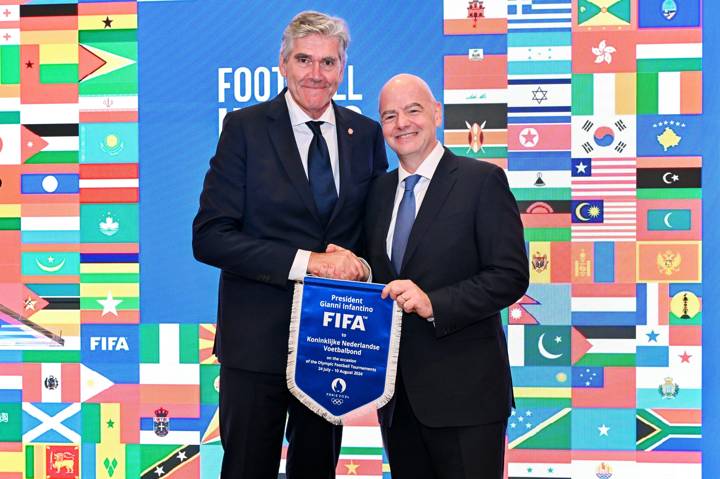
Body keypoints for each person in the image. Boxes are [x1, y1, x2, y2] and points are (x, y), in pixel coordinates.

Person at [192, 11, 388, 479]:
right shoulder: (244, 128)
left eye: (328, 62)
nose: (315, 74)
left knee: (316, 469)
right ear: (282, 63)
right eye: (304, 59)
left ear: (342, 69)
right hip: (255, 342)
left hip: (333, 343)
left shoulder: (366, 135)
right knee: (246, 469)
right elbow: (210, 236)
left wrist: (360, 265)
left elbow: (375, 233)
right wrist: (308, 263)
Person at [364, 74, 529, 478]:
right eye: (390, 115)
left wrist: (434, 303)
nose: (402, 122)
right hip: (397, 400)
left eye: (413, 110)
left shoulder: (481, 181)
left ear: (436, 113)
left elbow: (510, 274)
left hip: (467, 398)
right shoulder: (376, 194)